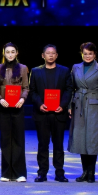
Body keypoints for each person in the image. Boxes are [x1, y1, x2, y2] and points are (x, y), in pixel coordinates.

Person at [28, 44, 73, 182]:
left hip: (59, 113)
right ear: (43, 55)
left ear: (57, 55)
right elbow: (32, 91)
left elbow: (69, 90)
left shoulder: (64, 71)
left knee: (58, 144)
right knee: (43, 144)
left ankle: (59, 172)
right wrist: (39, 104)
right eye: (48, 53)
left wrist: (62, 105)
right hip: (42, 114)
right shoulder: (35, 71)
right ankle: (42, 172)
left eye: (53, 53)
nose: (51, 55)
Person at [68, 42, 98, 183]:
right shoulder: (76, 67)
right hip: (78, 105)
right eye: (85, 54)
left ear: (95, 54)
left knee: (92, 139)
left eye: (90, 54)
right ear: (81, 54)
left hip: (94, 106)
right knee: (81, 139)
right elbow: (71, 88)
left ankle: (91, 172)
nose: (87, 56)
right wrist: (69, 105)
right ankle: (84, 172)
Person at [0, 42, 30, 182]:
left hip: (18, 107)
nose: (10, 54)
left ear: (17, 53)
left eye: (12, 52)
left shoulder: (23, 68)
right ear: (4, 53)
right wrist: (0, 99)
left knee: (18, 139)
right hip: (4, 107)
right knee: (5, 139)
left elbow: (26, 87)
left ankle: (19, 173)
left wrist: (22, 98)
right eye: (7, 52)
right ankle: (6, 173)